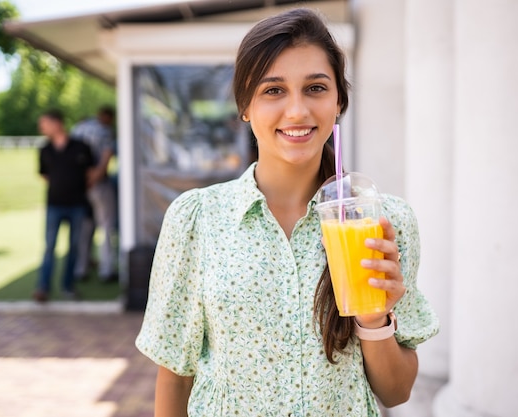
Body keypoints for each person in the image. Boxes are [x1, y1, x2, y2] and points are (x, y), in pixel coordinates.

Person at [135, 8, 439, 416]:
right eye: (273, 90)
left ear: (338, 102)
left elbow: (396, 392)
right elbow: (174, 376)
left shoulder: (382, 222)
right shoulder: (197, 219)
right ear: (245, 105)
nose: (297, 111)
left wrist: (374, 319)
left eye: (315, 88)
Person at [35, 109, 94, 302]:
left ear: (57, 123)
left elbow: (91, 173)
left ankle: (68, 286)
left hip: (77, 205)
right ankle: (43, 287)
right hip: (54, 205)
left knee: (74, 247)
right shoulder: (44, 149)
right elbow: (44, 174)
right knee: (49, 247)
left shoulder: (81, 147)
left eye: (44, 123)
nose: (41, 127)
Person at [72, 106, 118, 283]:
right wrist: (95, 178)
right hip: (98, 184)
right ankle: (106, 269)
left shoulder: (79, 128)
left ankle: (80, 268)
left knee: (85, 228)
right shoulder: (104, 131)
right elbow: (105, 159)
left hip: (81, 185)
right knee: (106, 226)